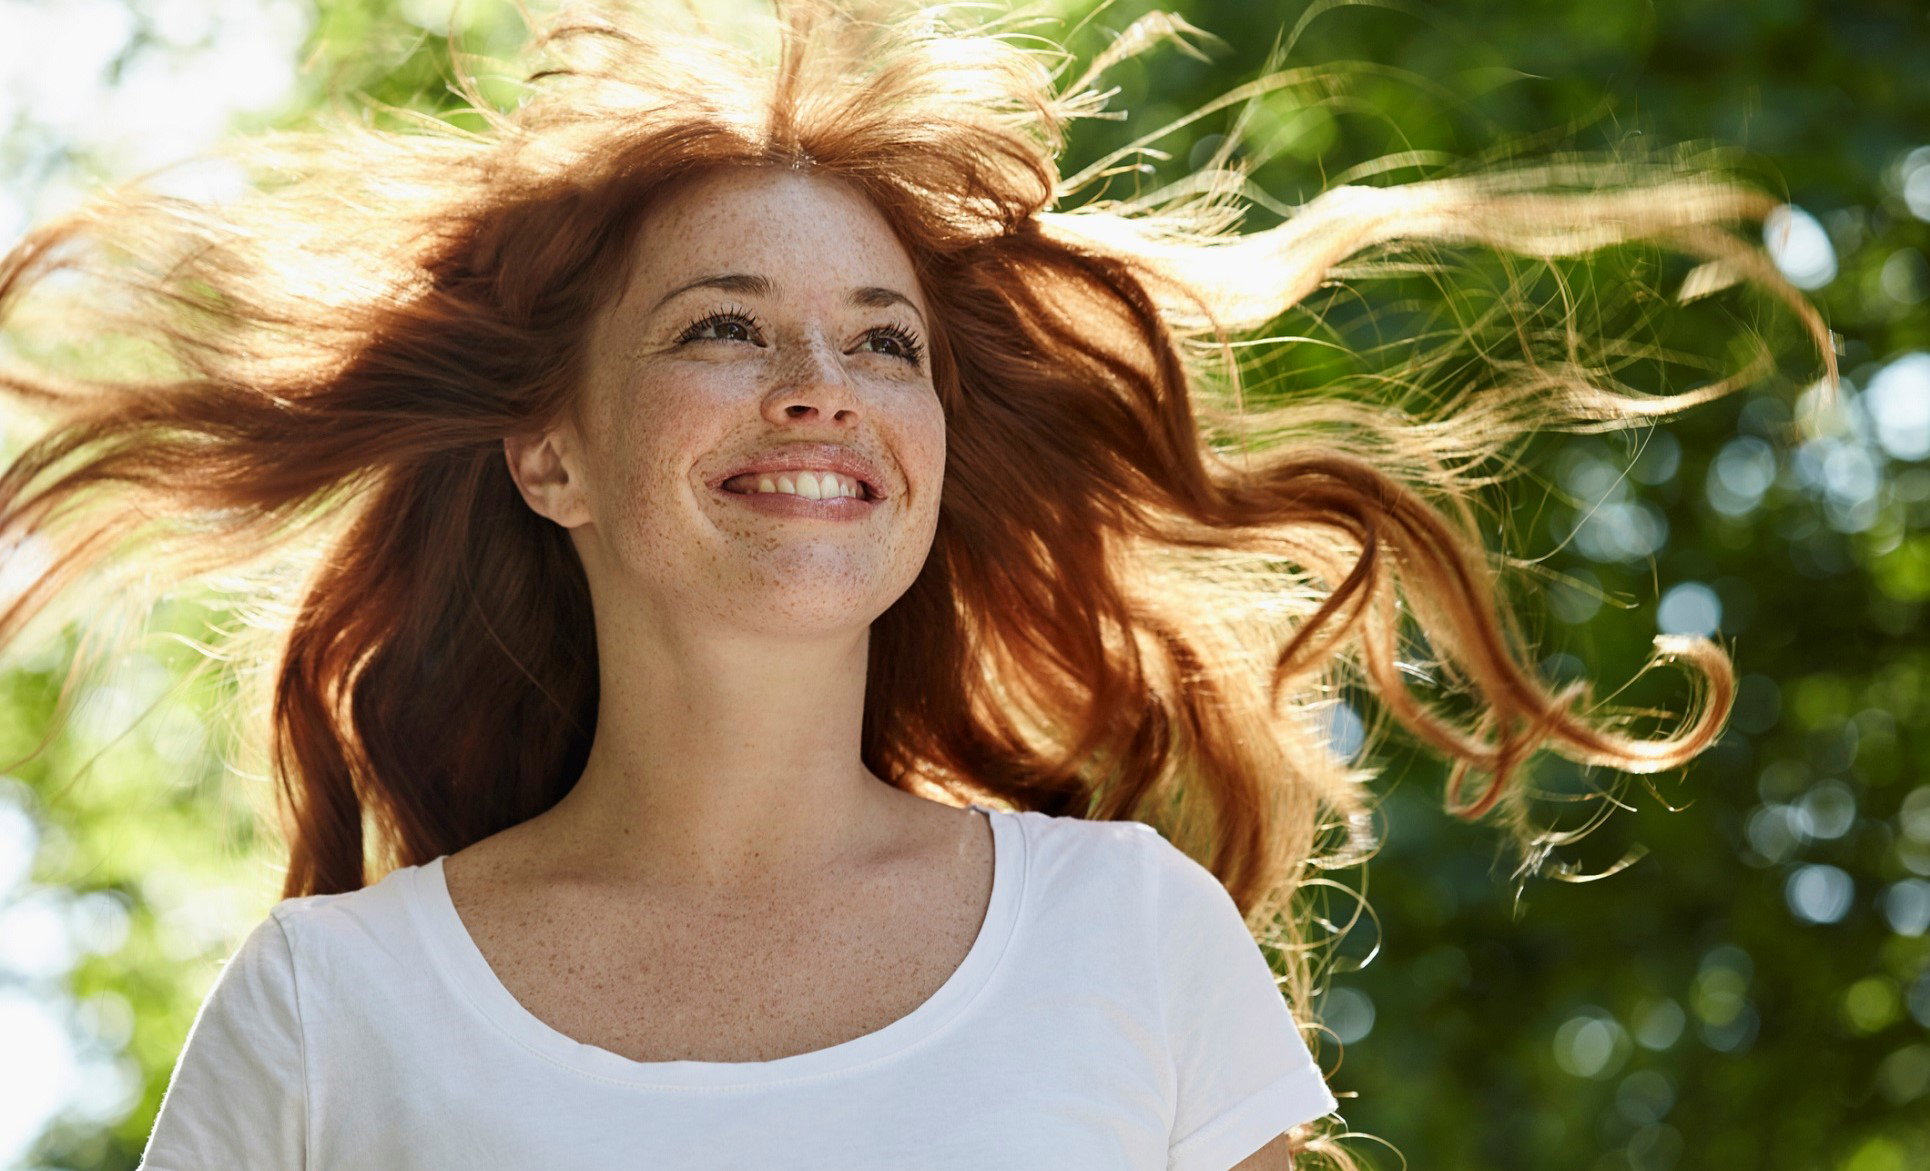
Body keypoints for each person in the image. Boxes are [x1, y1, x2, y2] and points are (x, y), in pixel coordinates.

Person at [0, 1, 1831, 1168]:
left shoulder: (1128, 937)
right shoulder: (327, 1013)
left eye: (884, 344)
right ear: (550, 456)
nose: (823, 388)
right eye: (724, 328)